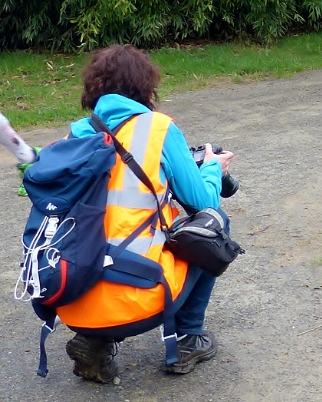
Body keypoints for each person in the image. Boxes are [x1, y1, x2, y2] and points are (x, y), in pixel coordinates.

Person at [59, 44, 234, 383]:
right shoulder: (156, 128)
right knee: (213, 226)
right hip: (138, 297)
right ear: (145, 87)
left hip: (72, 296)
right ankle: (188, 339)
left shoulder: (75, 134)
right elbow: (203, 203)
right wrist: (213, 168)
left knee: (103, 235)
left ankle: (95, 340)